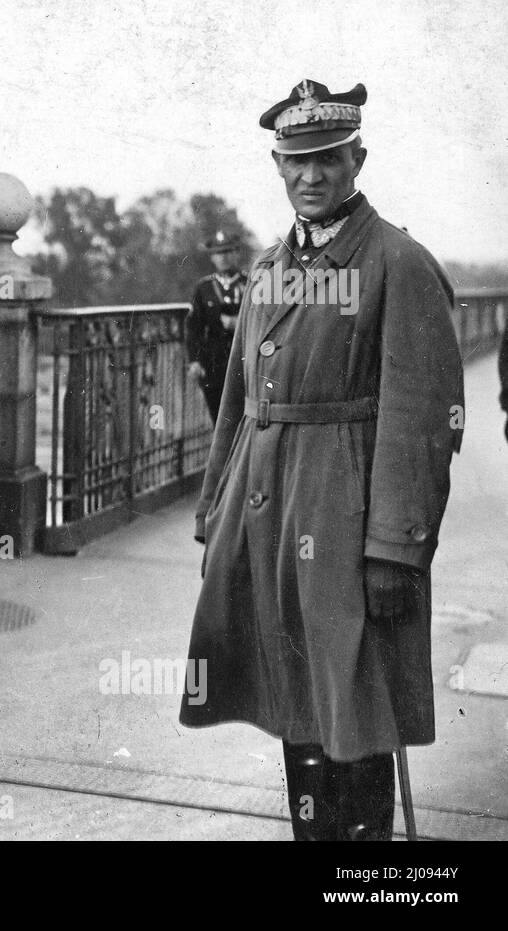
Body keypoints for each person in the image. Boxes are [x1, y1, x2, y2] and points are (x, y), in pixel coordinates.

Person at [179, 80, 464, 840]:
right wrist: (214, 516)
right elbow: (238, 406)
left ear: (357, 158)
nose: (312, 176)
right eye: (296, 161)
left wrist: (396, 549)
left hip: (348, 523)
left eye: (329, 159)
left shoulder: (398, 262)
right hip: (268, 515)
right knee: (295, 702)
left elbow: (422, 420)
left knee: (356, 709)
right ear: (278, 164)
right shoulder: (270, 267)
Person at [185, 231, 248, 422]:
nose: (224, 257)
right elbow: (194, 327)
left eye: (228, 251)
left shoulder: (250, 283)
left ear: (237, 253)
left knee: (244, 417)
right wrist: (195, 361)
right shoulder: (203, 288)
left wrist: (237, 323)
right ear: (212, 257)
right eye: (219, 253)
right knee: (218, 416)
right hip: (213, 363)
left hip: (243, 360)